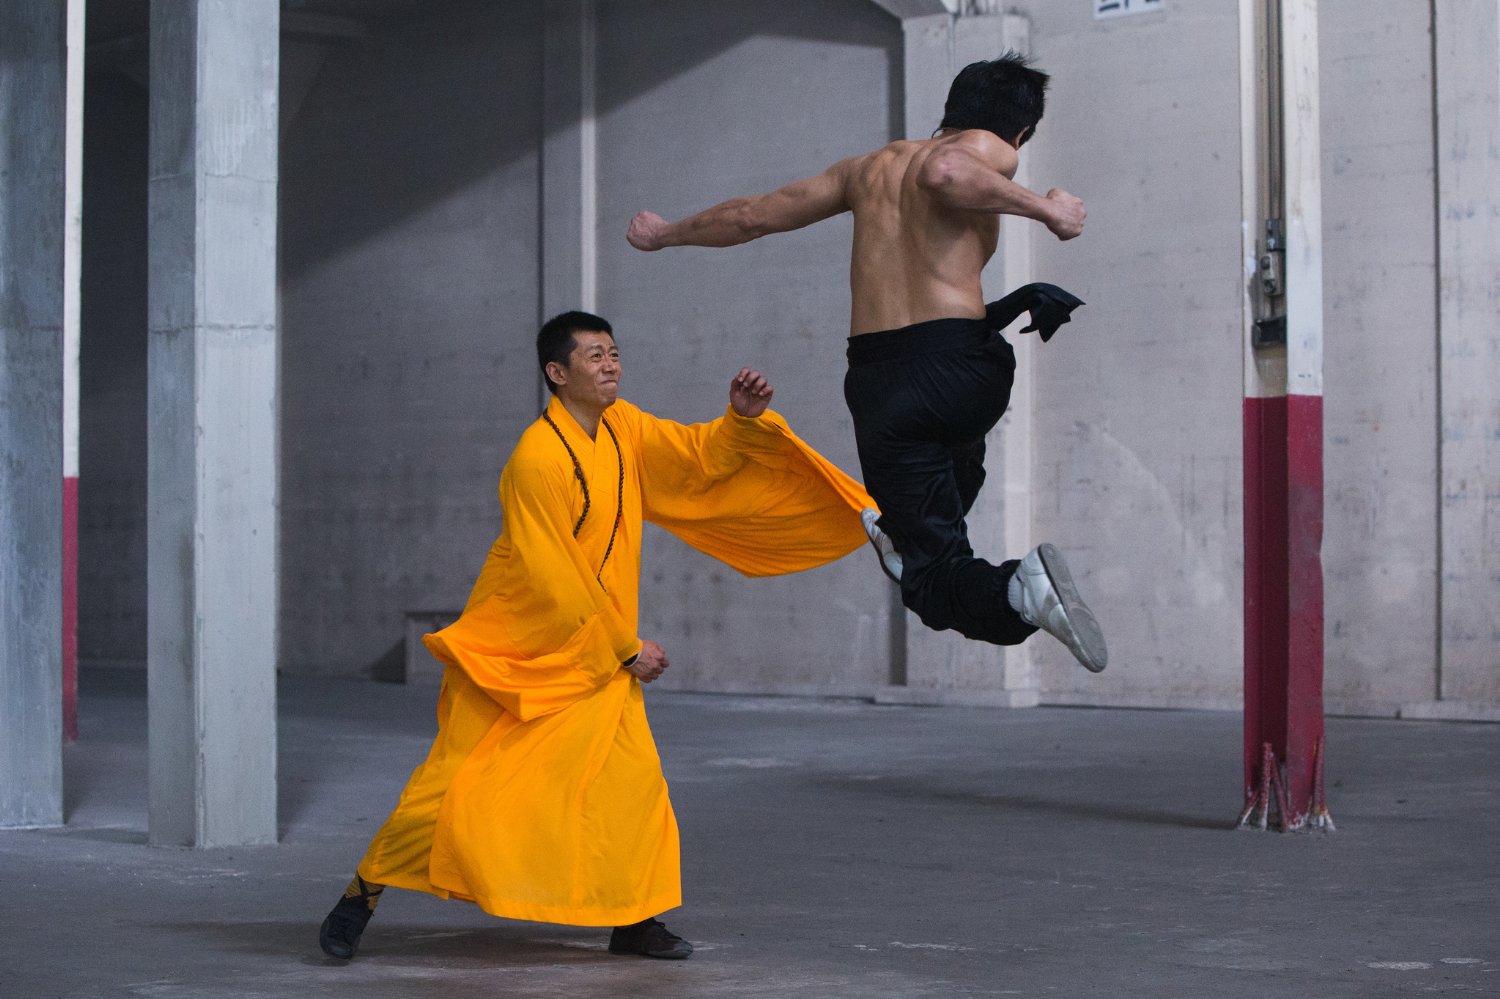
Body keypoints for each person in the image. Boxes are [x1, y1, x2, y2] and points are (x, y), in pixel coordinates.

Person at [318, 311, 876, 962]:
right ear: (557, 373)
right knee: (453, 785)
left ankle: (635, 920)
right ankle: (361, 894)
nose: (610, 365)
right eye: (593, 356)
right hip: (520, 651)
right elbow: (553, 575)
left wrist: (739, 421)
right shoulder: (536, 458)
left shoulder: (623, 427)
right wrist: (625, 646)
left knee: (630, 787)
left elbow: (693, 460)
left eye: (613, 352)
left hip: (598, 649)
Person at [626, 52, 1107, 674]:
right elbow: (946, 170)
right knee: (944, 489)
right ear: (1020, 132)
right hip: (966, 370)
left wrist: (665, 234)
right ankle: (906, 538)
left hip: (890, 382)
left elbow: (750, 217)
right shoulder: (988, 147)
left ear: (949, 111)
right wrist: (1048, 207)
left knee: (933, 578)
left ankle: (1012, 586)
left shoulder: (865, 170)